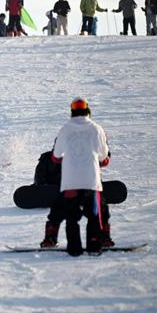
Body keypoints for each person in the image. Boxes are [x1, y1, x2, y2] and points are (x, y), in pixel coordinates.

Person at [51, 98, 110, 256]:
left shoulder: (65, 129)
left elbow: (56, 156)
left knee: (72, 217)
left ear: (72, 111)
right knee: (93, 215)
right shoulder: (96, 128)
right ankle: (93, 246)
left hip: (70, 182)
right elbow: (104, 157)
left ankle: (74, 249)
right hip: (91, 181)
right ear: (88, 111)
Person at [35, 147, 115, 249]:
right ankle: (103, 238)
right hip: (81, 185)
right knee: (96, 211)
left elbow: (104, 158)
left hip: (77, 186)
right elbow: (104, 159)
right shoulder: (89, 142)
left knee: (62, 211)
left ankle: (50, 239)